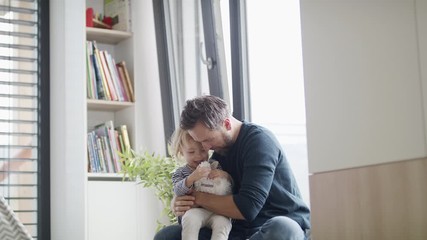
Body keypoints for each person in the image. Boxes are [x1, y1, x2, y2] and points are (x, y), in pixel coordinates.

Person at [154, 95, 310, 240]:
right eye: (199, 142)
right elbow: (205, 207)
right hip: (237, 231)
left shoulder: (259, 142)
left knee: (283, 228)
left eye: (208, 140)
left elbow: (247, 208)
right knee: (168, 235)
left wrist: (197, 198)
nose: (206, 148)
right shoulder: (218, 154)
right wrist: (181, 205)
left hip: (271, 226)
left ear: (226, 124)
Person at [170, 127, 233, 240]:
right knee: (190, 220)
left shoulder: (215, 165)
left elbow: (227, 187)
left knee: (223, 223)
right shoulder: (180, 172)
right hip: (194, 212)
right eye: (191, 152)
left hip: (216, 210)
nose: (198, 156)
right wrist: (192, 177)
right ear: (181, 151)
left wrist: (225, 175)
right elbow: (177, 190)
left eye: (203, 150)